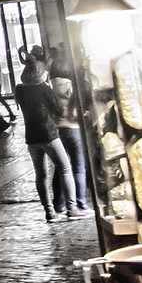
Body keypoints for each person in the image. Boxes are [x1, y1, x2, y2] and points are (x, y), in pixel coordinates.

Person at [15, 60, 77, 219]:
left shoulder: (20, 90)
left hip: (31, 137)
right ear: (41, 73)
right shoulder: (43, 89)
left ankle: (49, 212)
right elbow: (56, 108)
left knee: (41, 174)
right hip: (48, 134)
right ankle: (72, 208)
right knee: (65, 168)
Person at [55, 68, 95, 216]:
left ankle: (59, 205)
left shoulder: (50, 87)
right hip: (74, 128)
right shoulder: (76, 87)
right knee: (79, 168)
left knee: (61, 167)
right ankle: (81, 203)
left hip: (59, 129)